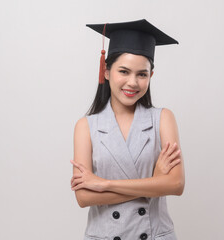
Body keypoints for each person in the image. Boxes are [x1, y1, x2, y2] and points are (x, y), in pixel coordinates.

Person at [70, 19, 185, 240]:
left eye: (142, 74)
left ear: (151, 76)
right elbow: (84, 197)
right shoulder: (86, 126)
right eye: (124, 71)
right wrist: (154, 181)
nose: (132, 82)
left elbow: (176, 184)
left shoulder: (163, 118)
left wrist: (104, 184)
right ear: (106, 71)